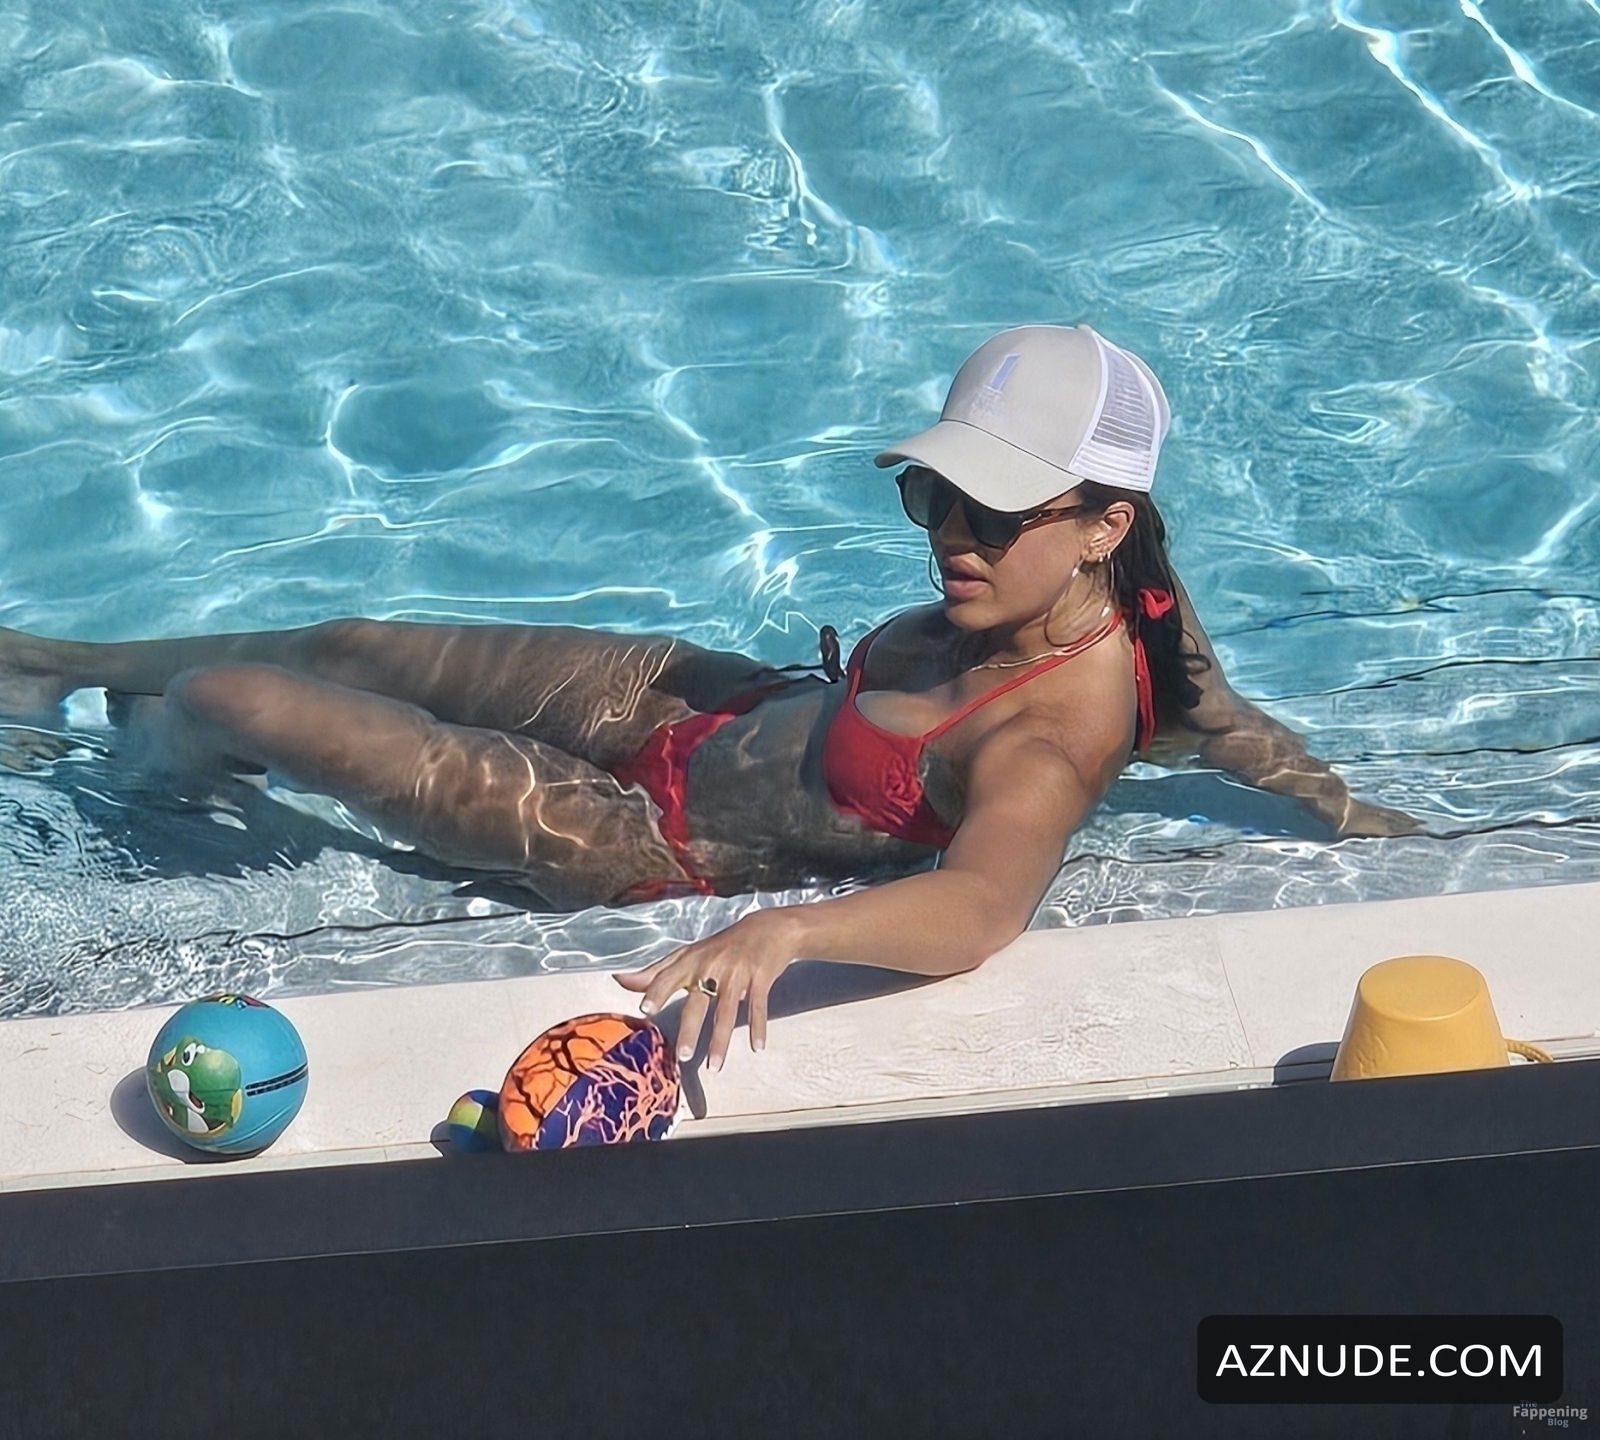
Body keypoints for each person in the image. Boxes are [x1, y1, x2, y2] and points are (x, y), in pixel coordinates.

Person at [0, 324, 1418, 1067]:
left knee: (240, 702)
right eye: (935, 493)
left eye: (993, 512)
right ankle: (49, 665)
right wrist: (1353, 814)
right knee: (358, 640)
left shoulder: (1047, 735)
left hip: (641, 836)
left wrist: (792, 931)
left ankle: (123, 795)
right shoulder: (1136, 597)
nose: (952, 537)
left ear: (1104, 523)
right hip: (708, 701)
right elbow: (1222, 719)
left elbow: (984, 905)